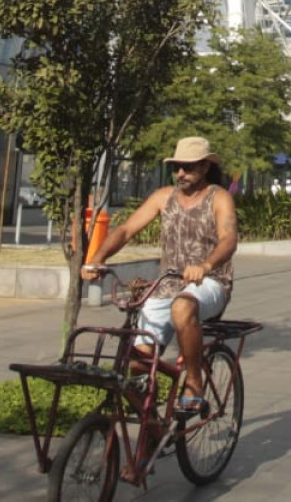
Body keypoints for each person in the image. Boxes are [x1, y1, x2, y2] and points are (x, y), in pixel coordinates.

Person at [82, 136, 237, 415]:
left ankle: (193, 381)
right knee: (137, 363)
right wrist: (97, 259)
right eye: (177, 167)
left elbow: (228, 239)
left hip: (211, 283)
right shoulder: (163, 197)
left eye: (188, 167)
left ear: (204, 167)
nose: (181, 173)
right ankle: (150, 432)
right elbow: (126, 231)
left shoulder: (219, 197)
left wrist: (205, 265)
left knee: (183, 306)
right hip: (167, 286)